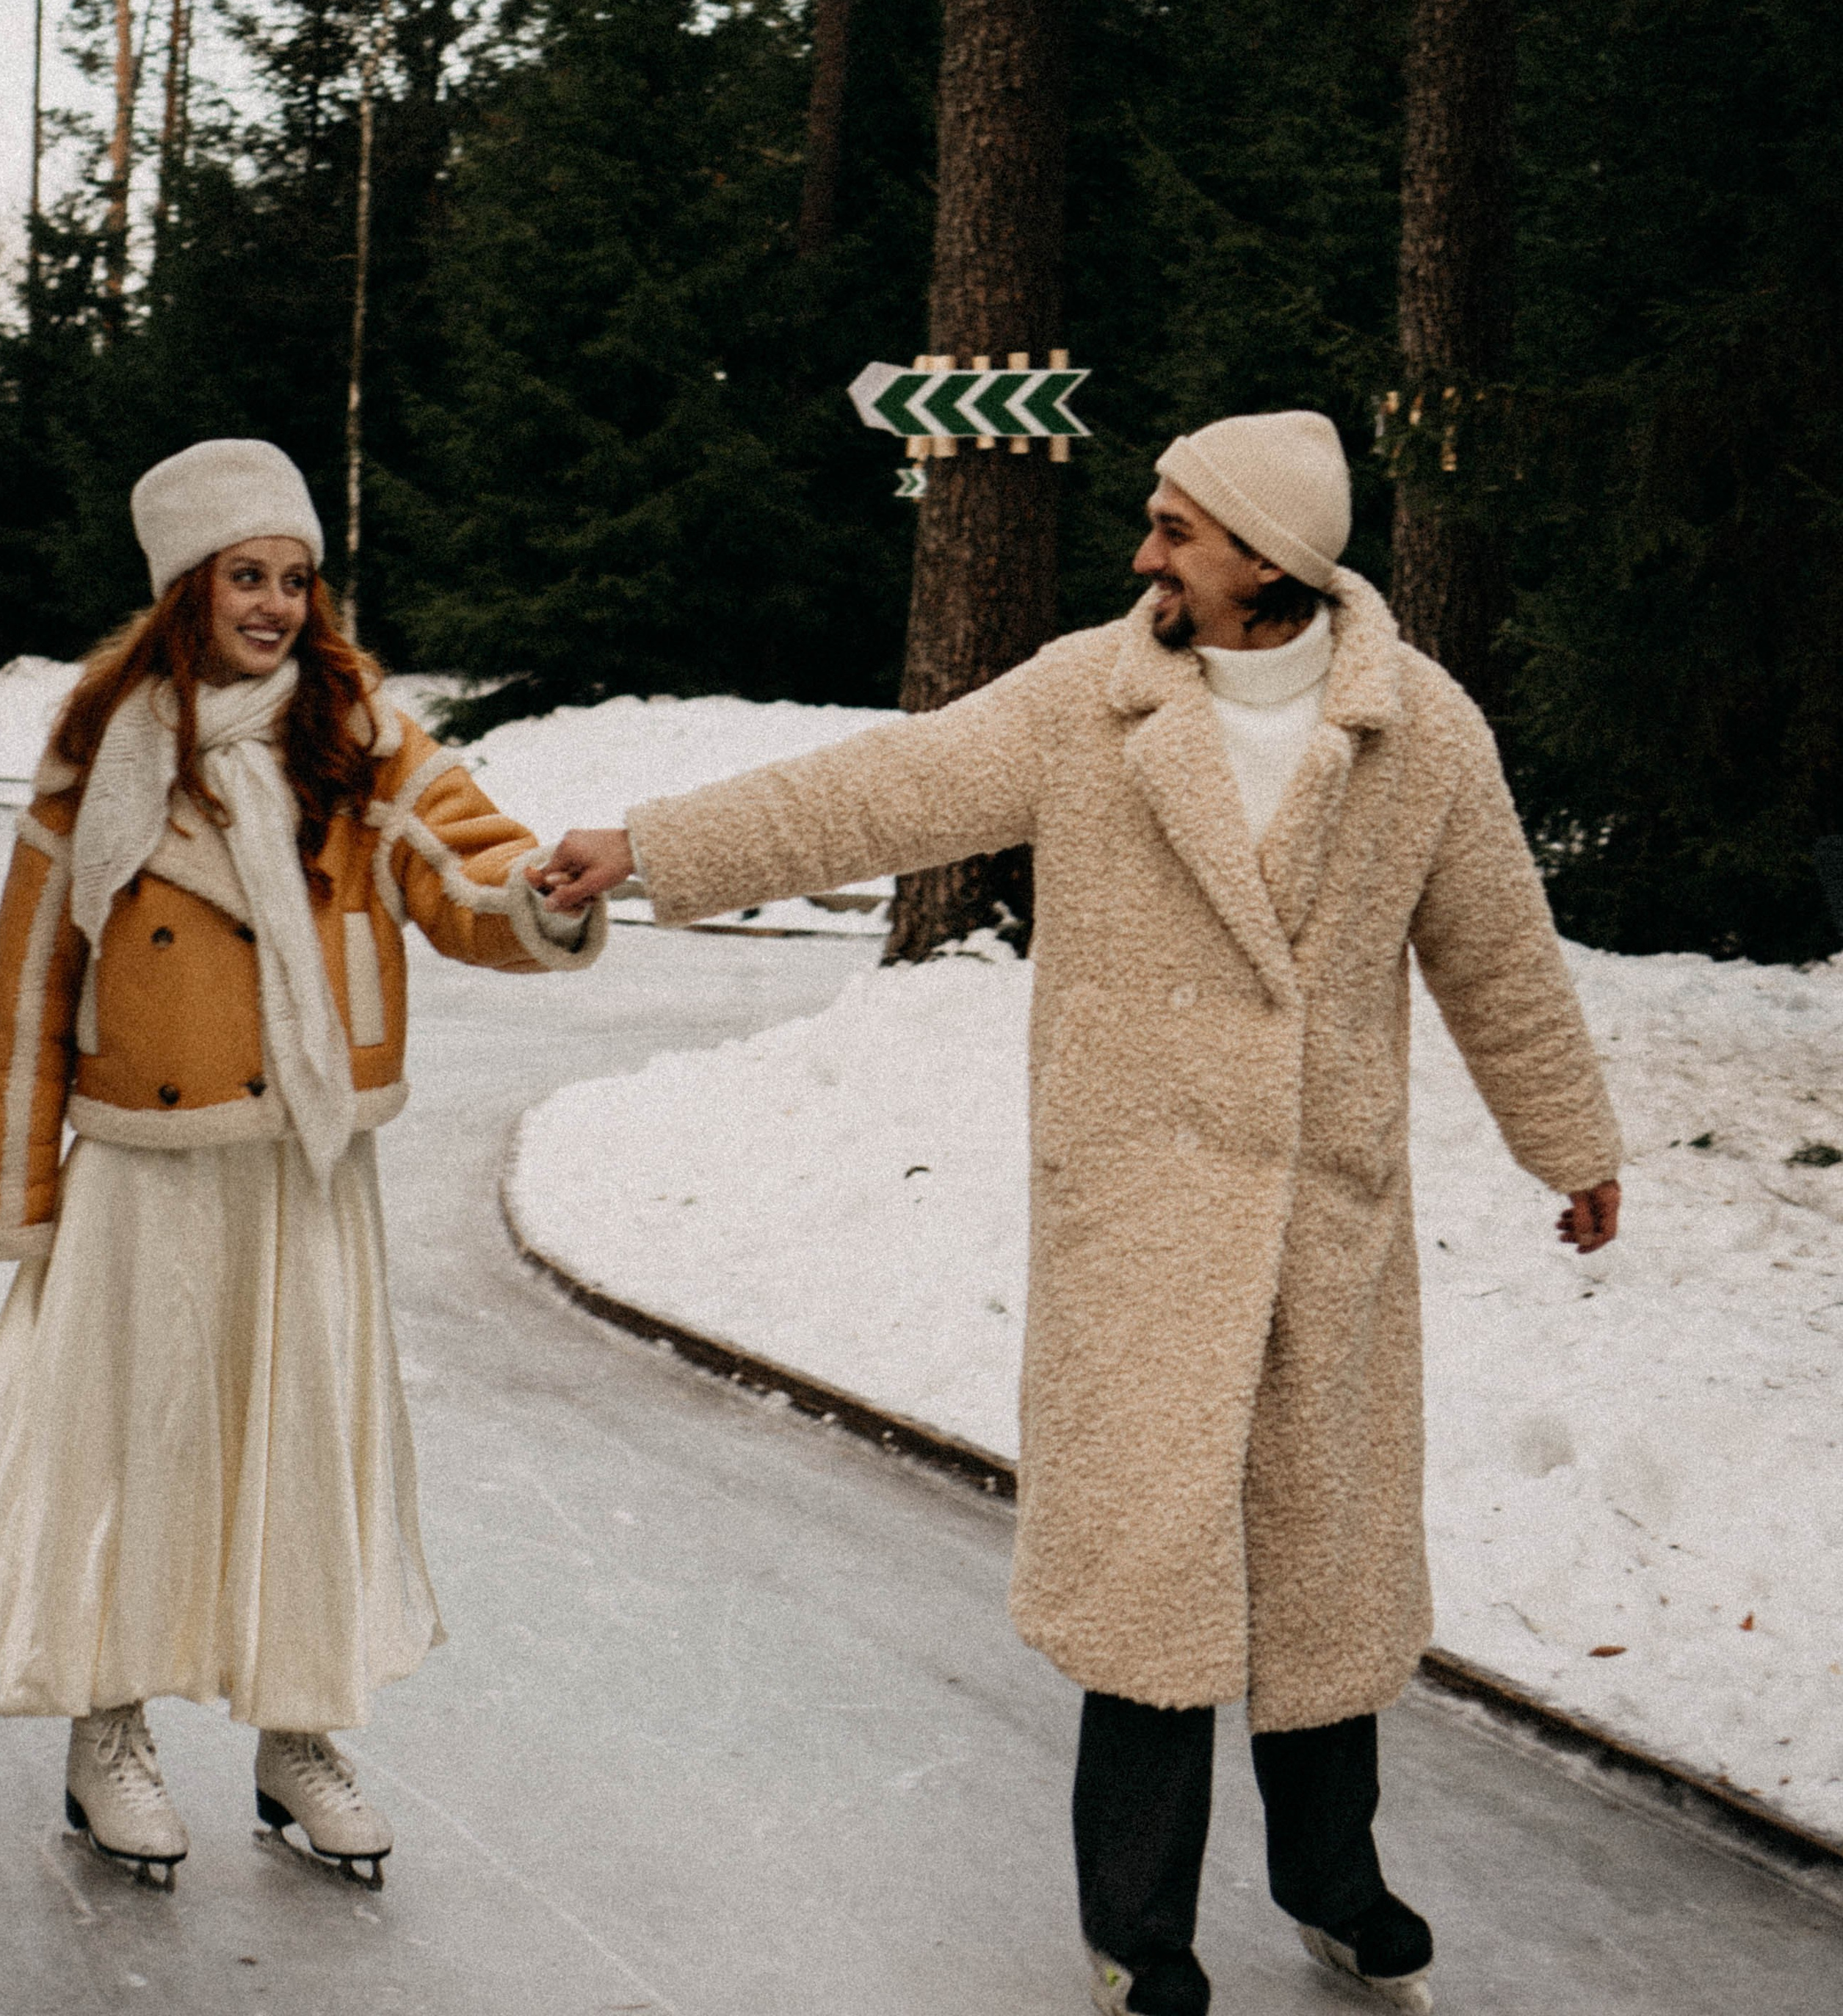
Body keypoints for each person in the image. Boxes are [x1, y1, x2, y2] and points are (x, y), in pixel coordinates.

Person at [537, 409, 1622, 2016]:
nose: (1142, 553)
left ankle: (1333, 1886)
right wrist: (651, 846)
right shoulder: (1088, 699)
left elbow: (1499, 954)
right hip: (1139, 1222)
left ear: (1268, 556)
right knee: (1150, 1579)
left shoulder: (1419, 729)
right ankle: (1138, 1929)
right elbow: (881, 791)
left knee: (1322, 1568)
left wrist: (1570, 1144)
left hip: (1321, 1220)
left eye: (1175, 529)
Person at [0, 439, 604, 1890]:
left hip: (306, 1163)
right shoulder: (103, 748)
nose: (274, 604)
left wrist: (540, 896)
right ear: (187, 588)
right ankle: (108, 1732)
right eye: (246, 575)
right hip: (146, 1164)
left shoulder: (358, 730)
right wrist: (9, 1190)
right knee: (135, 1448)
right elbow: (28, 976)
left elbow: (462, 865)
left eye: (296, 579)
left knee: (307, 1446)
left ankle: (297, 1730)